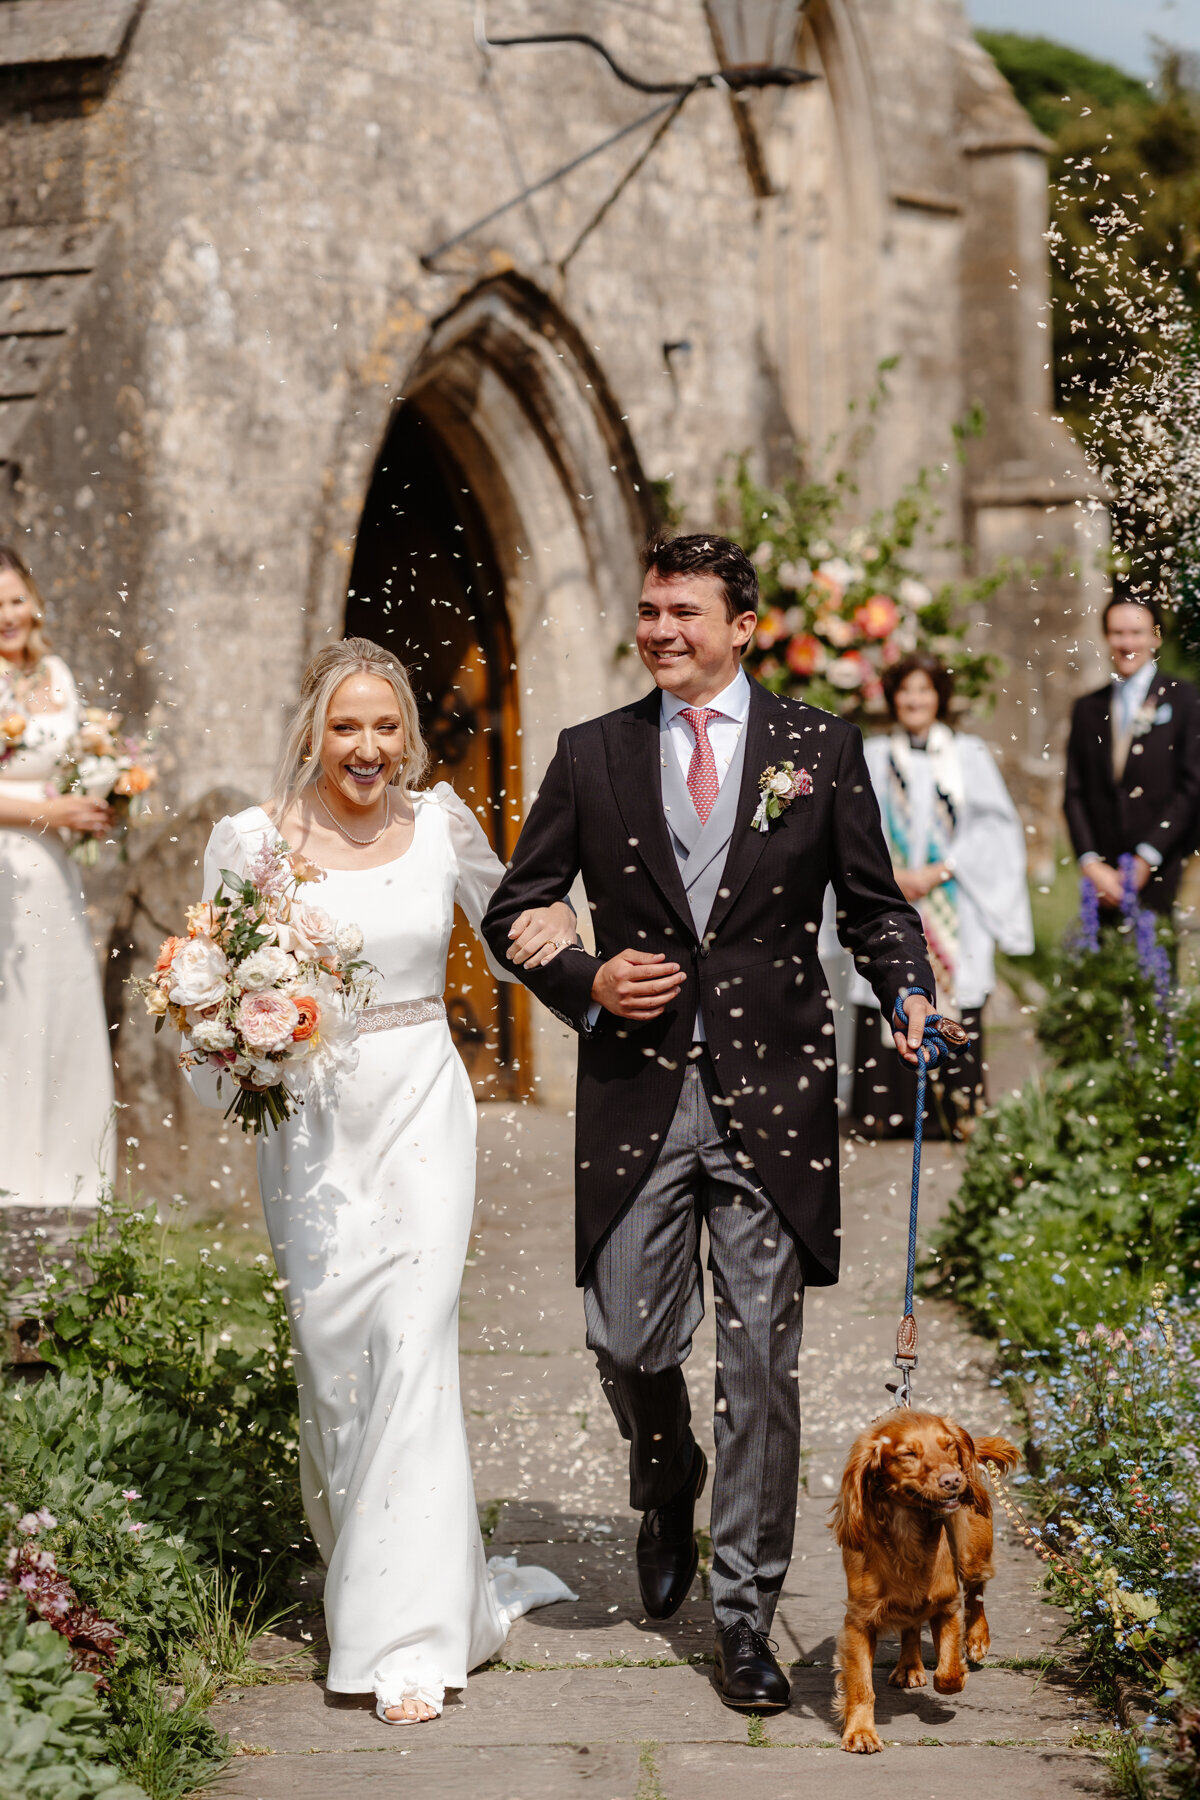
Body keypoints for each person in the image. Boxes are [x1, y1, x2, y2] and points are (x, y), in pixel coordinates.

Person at [482, 534, 934, 1714]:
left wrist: (908, 992)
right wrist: (583, 977)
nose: (662, 630)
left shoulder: (817, 749)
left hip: (774, 1100)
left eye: (686, 612)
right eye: (648, 611)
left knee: (761, 1370)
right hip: (637, 1091)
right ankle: (664, 1465)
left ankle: (744, 1616)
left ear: (742, 626)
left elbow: (875, 907)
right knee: (628, 1337)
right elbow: (515, 906)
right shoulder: (593, 754)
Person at [192, 639, 578, 1725]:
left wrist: (598, 963)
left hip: (419, 1106)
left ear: (408, 733)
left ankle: (400, 1643)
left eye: (386, 727)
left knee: (413, 1345)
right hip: (310, 1122)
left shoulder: (442, 825)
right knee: (333, 1362)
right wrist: (239, 1043)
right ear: (314, 729)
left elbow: (517, 943)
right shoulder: (250, 841)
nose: (366, 748)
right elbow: (208, 984)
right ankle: (408, 1577)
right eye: (346, 727)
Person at [849, 652, 1033, 1138]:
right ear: (892, 697)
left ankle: (955, 1113)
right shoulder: (871, 754)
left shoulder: (967, 755)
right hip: (892, 891)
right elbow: (854, 828)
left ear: (940, 698)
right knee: (891, 978)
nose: (914, 699)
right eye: (906, 690)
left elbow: (995, 828)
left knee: (956, 987)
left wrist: (943, 868)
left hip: (953, 895)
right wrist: (893, 874)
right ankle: (886, 1113)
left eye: (924, 690)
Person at [0, 544, 115, 1209]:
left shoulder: (57, 673)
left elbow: (77, 760)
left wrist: (103, 793)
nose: (9, 616)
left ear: (35, 600)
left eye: (16, 599)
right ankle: (11, 1182)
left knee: (59, 1013)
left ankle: (73, 1188)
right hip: (6, 873)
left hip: (56, 873)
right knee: (12, 1017)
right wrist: (50, 810)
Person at [1065, 594, 1200, 916]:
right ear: (1106, 637)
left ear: (1156, 636)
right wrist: (1091, 862)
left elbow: (1193, 785)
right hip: (1102, 873)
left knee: (1156, 961)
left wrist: (1146, 857)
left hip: (1160, 864)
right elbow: (1074, 792)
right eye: (1117, 633)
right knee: (1101, 963)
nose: (1127, 643)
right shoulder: (1087, 708)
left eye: (1136, 632)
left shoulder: (1183, 699)